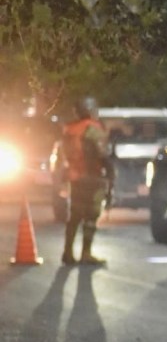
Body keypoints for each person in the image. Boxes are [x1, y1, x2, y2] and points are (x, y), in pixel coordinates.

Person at [60, 96, 113, 265]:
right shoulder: (93, 129)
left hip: (75, 177)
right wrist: (110, 175)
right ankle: (86, 253)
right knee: (91, 216)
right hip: (92, 177)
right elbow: (103, 154)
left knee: (75, 215)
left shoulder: (70, 129)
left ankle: (67, 252)